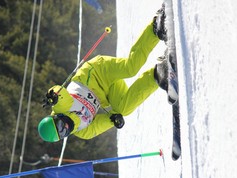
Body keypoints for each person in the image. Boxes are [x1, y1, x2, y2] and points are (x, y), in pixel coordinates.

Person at [38, 6, 168, 142]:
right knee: (123, 110)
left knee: (130, 68)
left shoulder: (61, 107)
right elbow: (105, 121)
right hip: (106, 92)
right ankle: (158, 75)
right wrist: (115, 121)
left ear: (56, 117)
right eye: (62, 132)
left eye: (59, 125)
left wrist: (53, 95)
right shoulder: (83, 132)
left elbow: (60, 94)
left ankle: (155, 27)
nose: (65, 127)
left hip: (97, 73)